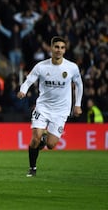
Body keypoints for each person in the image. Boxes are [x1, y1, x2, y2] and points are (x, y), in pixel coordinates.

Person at [17, 36, 83, 177]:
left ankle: (44, 138)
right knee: (35, 138)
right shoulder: (41, 66)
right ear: (51, 48)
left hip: (61, 111)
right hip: (43, 107)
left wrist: (77, 105)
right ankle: (32, 168)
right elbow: (29, 80)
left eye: (62, 48)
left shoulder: (71, 67)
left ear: (65, 50)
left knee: (51, 145)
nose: (59, 50)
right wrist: (23, 90)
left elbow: (79, 85)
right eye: (56, 47)